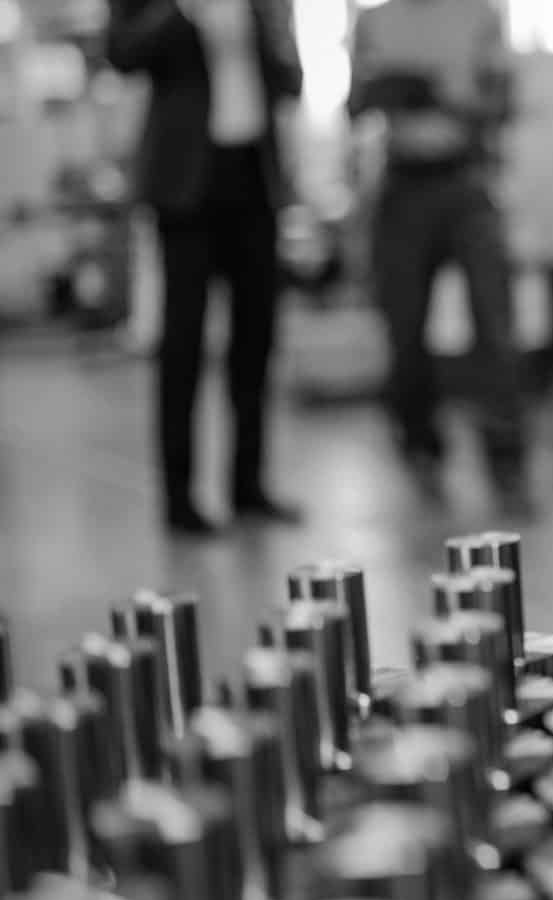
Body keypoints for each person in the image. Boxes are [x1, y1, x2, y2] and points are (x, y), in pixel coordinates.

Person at [106, 0, 305, 535]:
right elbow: (121, 52)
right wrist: (181, 11)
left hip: (254, 181)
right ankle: (179, 498)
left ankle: (248, 484)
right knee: (183, 345)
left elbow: (290, 78)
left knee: (256, 339)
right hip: (185, 187)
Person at [346, 0, 531, 511]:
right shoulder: (374, 22)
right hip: (402, 186)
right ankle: (421, 450)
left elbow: (506, 105)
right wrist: (383, 91)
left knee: (494, 324)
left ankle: (507, 459)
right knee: (404, 329)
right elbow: (354, 104)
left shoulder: (479, 16)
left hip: (466, 182)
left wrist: (449, 98)